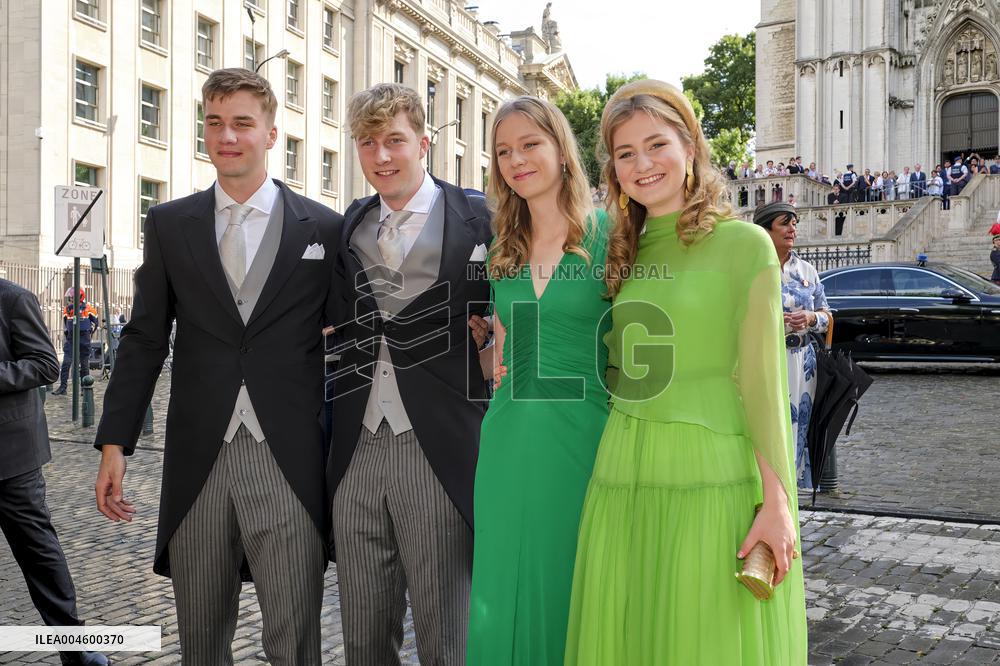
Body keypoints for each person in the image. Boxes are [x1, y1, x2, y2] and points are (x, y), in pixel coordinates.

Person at [94, 68, 343, 665]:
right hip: (198, 458)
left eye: (241, 124)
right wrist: (114, 443)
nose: (226, 135)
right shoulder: (170, 224)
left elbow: (353, 337)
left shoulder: (326, 228)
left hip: (290, 457)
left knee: (295, 639)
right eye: (214, 123)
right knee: (201, 641)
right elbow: (145, 337)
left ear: (271, 134)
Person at [565, 79, 806, 665]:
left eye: (656, 145)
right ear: (613, 171)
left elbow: (764, 386)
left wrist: (778, 505)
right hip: (623, 467)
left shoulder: (745, 246)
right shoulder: (621, 251)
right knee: (633, 636)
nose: (642, 164)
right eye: (625, 154)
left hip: (712, 474)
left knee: (705, 641)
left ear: (691, 147)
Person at [327, 82, 493, 665]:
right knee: (364, 635)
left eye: (394, 140)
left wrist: (498, 331)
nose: (381, 157)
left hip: (443, 446)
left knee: (446, 632)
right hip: (356, 448)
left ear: (424, 142)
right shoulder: (347, 227)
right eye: (367, 143)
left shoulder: (480, 219)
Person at [465, 97, 611, 666]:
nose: (515, 160)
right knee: (503, 589)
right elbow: (500, 357)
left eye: (530, 145)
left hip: (586, 437)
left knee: (572, 583)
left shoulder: (613, 235)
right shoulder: (504, 248)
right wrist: (485, 351)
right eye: (503, 151)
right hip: (508, 437)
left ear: (560, 149)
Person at [0, 279, 108, 666]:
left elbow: (45, 363)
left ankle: (75, 647)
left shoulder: (13, 298)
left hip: (11, 457)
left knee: (38, 554)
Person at [753, 203, 830, 490]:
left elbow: (827, 316)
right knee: (770, 425)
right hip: (766, 358)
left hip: (803, 362)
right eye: (784, 223)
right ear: (765, 230)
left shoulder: (806, 269)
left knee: (801, 426)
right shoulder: (752, 268)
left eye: (794, 223)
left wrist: (811, 317)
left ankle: (794, 493)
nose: (792, 229)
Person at [52, 287, 98, 395]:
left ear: (79, 297)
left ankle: (84, 388)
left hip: (84, 338)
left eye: (72, 297)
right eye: (70, 297)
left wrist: (89, 332)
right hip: (71, 338)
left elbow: (95, 323)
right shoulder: (67, 309)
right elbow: (66, 323)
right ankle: (63, 387)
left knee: (84, 364)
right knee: (66, 362)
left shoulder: (89, 308)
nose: (70, 299)